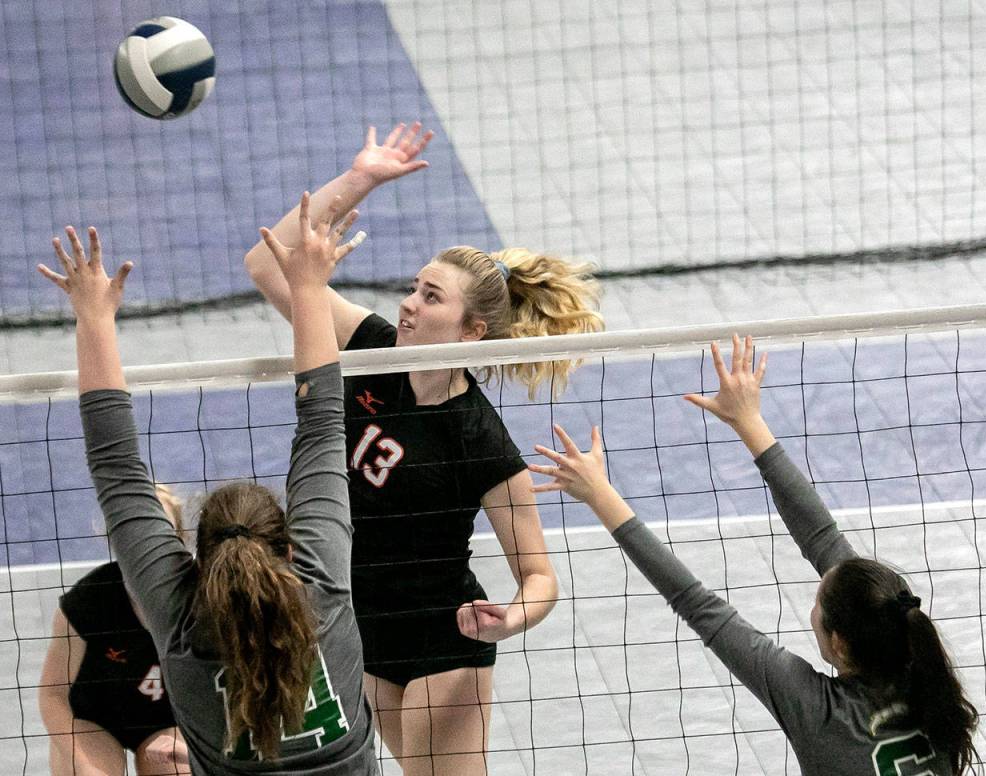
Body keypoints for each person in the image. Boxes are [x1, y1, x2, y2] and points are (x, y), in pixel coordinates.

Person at [245, 122, 603, 775]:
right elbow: (269, 264)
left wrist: (508, 621)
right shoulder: (371, 347)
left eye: (429, 297)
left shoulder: (478, 438)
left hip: (447, 639)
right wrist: (362, 179)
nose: (408, 305)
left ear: (473, 329)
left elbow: (541, 577)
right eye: (413, 288)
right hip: (362, 630)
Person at [529, 334, 980, 775]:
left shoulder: (817, 711)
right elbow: (821, 539)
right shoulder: (921, 676)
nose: (814, 603)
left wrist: (600, 495)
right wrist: (748, 421)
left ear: (839, 643)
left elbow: (700, 605)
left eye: (818, 604)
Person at [38, 196, 379, 774]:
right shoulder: (322, 589)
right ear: (292, 549)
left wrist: (93, 318)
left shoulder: (178, 618)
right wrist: (309, 289)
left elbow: (117, 467)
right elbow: (323, 422)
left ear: (197, 557)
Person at [38, 485, 191, 776]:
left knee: (177, 769)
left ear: (179, 538)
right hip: (96, 719)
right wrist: (78, 754)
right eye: (133, 533)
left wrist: (201, 750)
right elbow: (52, 693)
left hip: (169, 721)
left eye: (158, 530)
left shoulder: (202, 602)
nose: (147, 544)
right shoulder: (87, 602)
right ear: (115, 541)